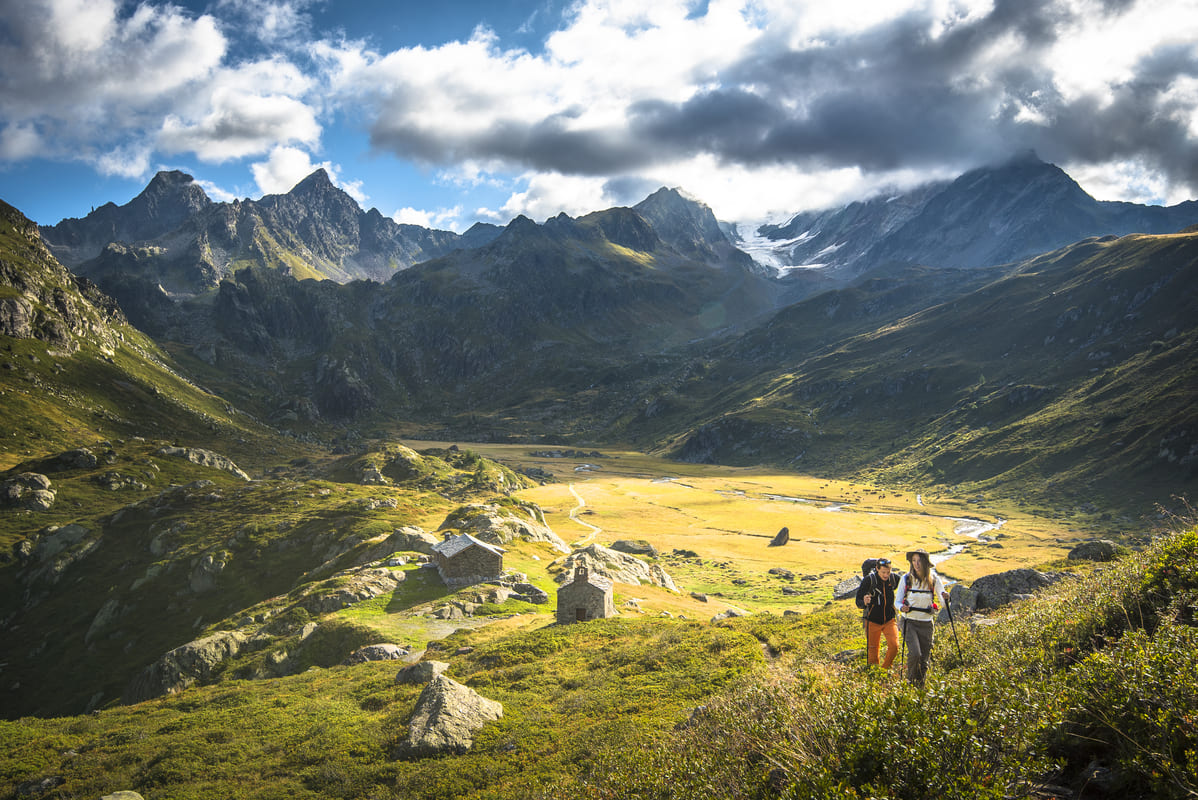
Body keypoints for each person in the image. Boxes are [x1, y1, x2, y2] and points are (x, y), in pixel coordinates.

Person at [896, 548, 949, 686]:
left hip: (926, 624)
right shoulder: (906, 579)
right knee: (915, 654)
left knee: (924, 659)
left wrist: (947, 598)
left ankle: (920, 686)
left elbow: (943, 603)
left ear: (925, 563)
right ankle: (910, 683)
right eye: (914, 561)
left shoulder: (934, 580)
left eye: (919, 561)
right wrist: (902, 607)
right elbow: (897, 601)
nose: (916, 564)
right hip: (909, 622)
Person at [854, 557, 900, 669]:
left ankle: (885, 669)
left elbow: (907, 587)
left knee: (894, 646)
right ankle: (874, 675)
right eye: (883, 572)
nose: (886, 575)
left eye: (888, 572)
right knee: (873, 651)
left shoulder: (894, 579)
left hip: (890, 620)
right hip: (872, 621)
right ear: (877, 569)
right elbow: (858, 601)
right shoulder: (868, 580)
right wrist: (864, 603)